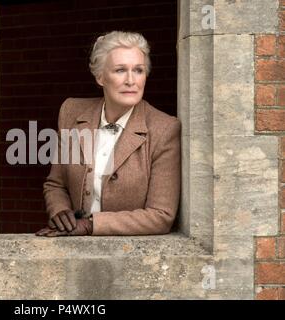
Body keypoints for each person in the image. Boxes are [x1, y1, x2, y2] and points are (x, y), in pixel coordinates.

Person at [35, 31, 181, 237]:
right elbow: (56, 184)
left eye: (138, 70)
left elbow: (161, 215)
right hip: (73, 250)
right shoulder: (71, 112)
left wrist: (89, 224)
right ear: (100, 77)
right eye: (120, 70)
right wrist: (60, 211)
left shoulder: (165, 128)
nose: (131, 80)